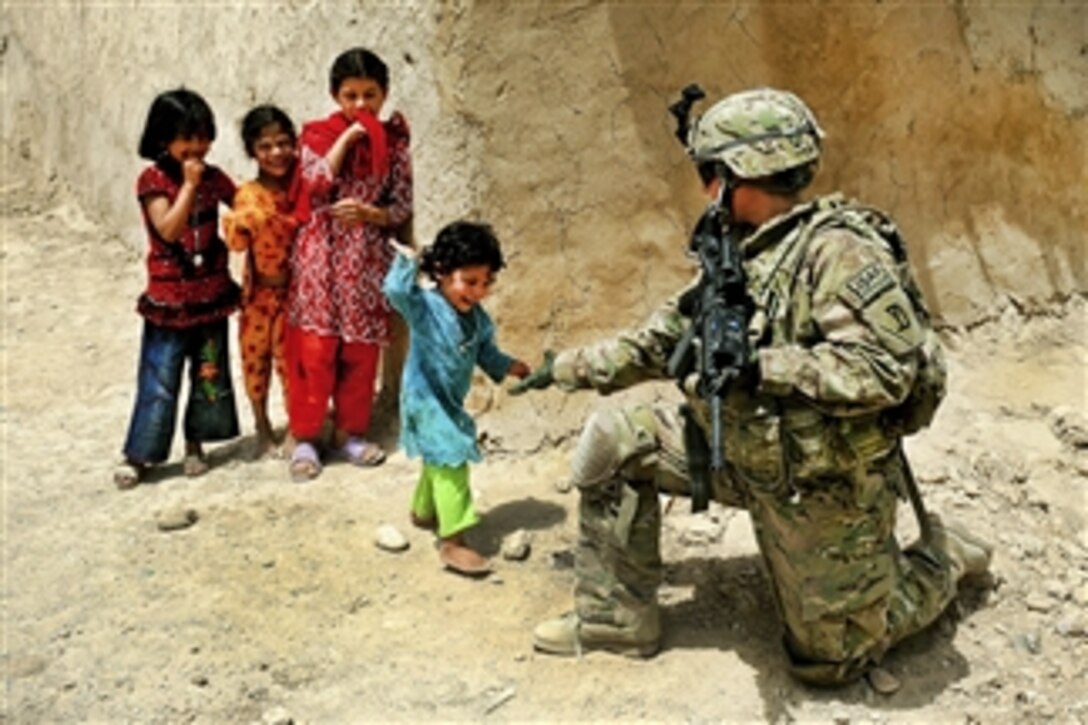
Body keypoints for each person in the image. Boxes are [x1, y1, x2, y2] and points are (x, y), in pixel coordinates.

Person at [512, 87, 993, 687]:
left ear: (739, 174)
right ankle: (616, 618)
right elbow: (664, 339)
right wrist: (562, 368)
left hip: (818, 484)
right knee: (615, 438)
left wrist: (765, 367)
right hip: (737, 452)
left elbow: (885, 371)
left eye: (708, 172)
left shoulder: (838, 252)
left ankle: (943, 555)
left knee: (828, 661)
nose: (703, 187)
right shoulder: (737, 249)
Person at [286, 47, 413, 482]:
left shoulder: (396, 146)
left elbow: (401, 206)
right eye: (351, 95)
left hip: (363, 261)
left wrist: (370, 214)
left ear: (385, 93)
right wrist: (348, 138)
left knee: (360, 351)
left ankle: (349, 434)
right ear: (335, 96)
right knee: (316, 351)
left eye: (370, 95)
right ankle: (306, 436)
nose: (361, 105)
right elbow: (314, 183)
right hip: (319, 257)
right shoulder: (317, 136)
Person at [383, 221, 530, 576]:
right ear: (442, 274)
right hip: (424, 400)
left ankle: (423, 511)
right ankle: (453, 541)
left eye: (486, 282)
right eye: (469, 281)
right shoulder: (425, 307)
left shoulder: (478, 321)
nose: (478, 291)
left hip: (448, 401)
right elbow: (395, 292)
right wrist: (407, 264)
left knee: (437, 458)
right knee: (451, 459)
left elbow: (486, 354)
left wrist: (509, 365)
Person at [114, 88, 240, 489]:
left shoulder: (215, 177)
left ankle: (196, 442)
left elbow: (243, 205)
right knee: (160, 377)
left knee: (208, 373)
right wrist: (188, 187)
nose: (196, 147)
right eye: (187, 138)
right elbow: (168, 228)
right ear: (162, 139)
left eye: (203, 137)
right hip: (169, 300)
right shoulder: (153, 181)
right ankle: (141, 455)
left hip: (212, 295)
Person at [224, 105, 299, 458]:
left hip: (295, 293)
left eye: (283, 143)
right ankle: (262, 426)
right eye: (265, 146)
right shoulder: (248, 195)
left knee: (291, 363)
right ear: (252, 151)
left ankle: (296, 429)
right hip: (258, 294)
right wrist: (242, 223)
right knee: (255, 361)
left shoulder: (300, 189)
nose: (276, 153)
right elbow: (238, 242)